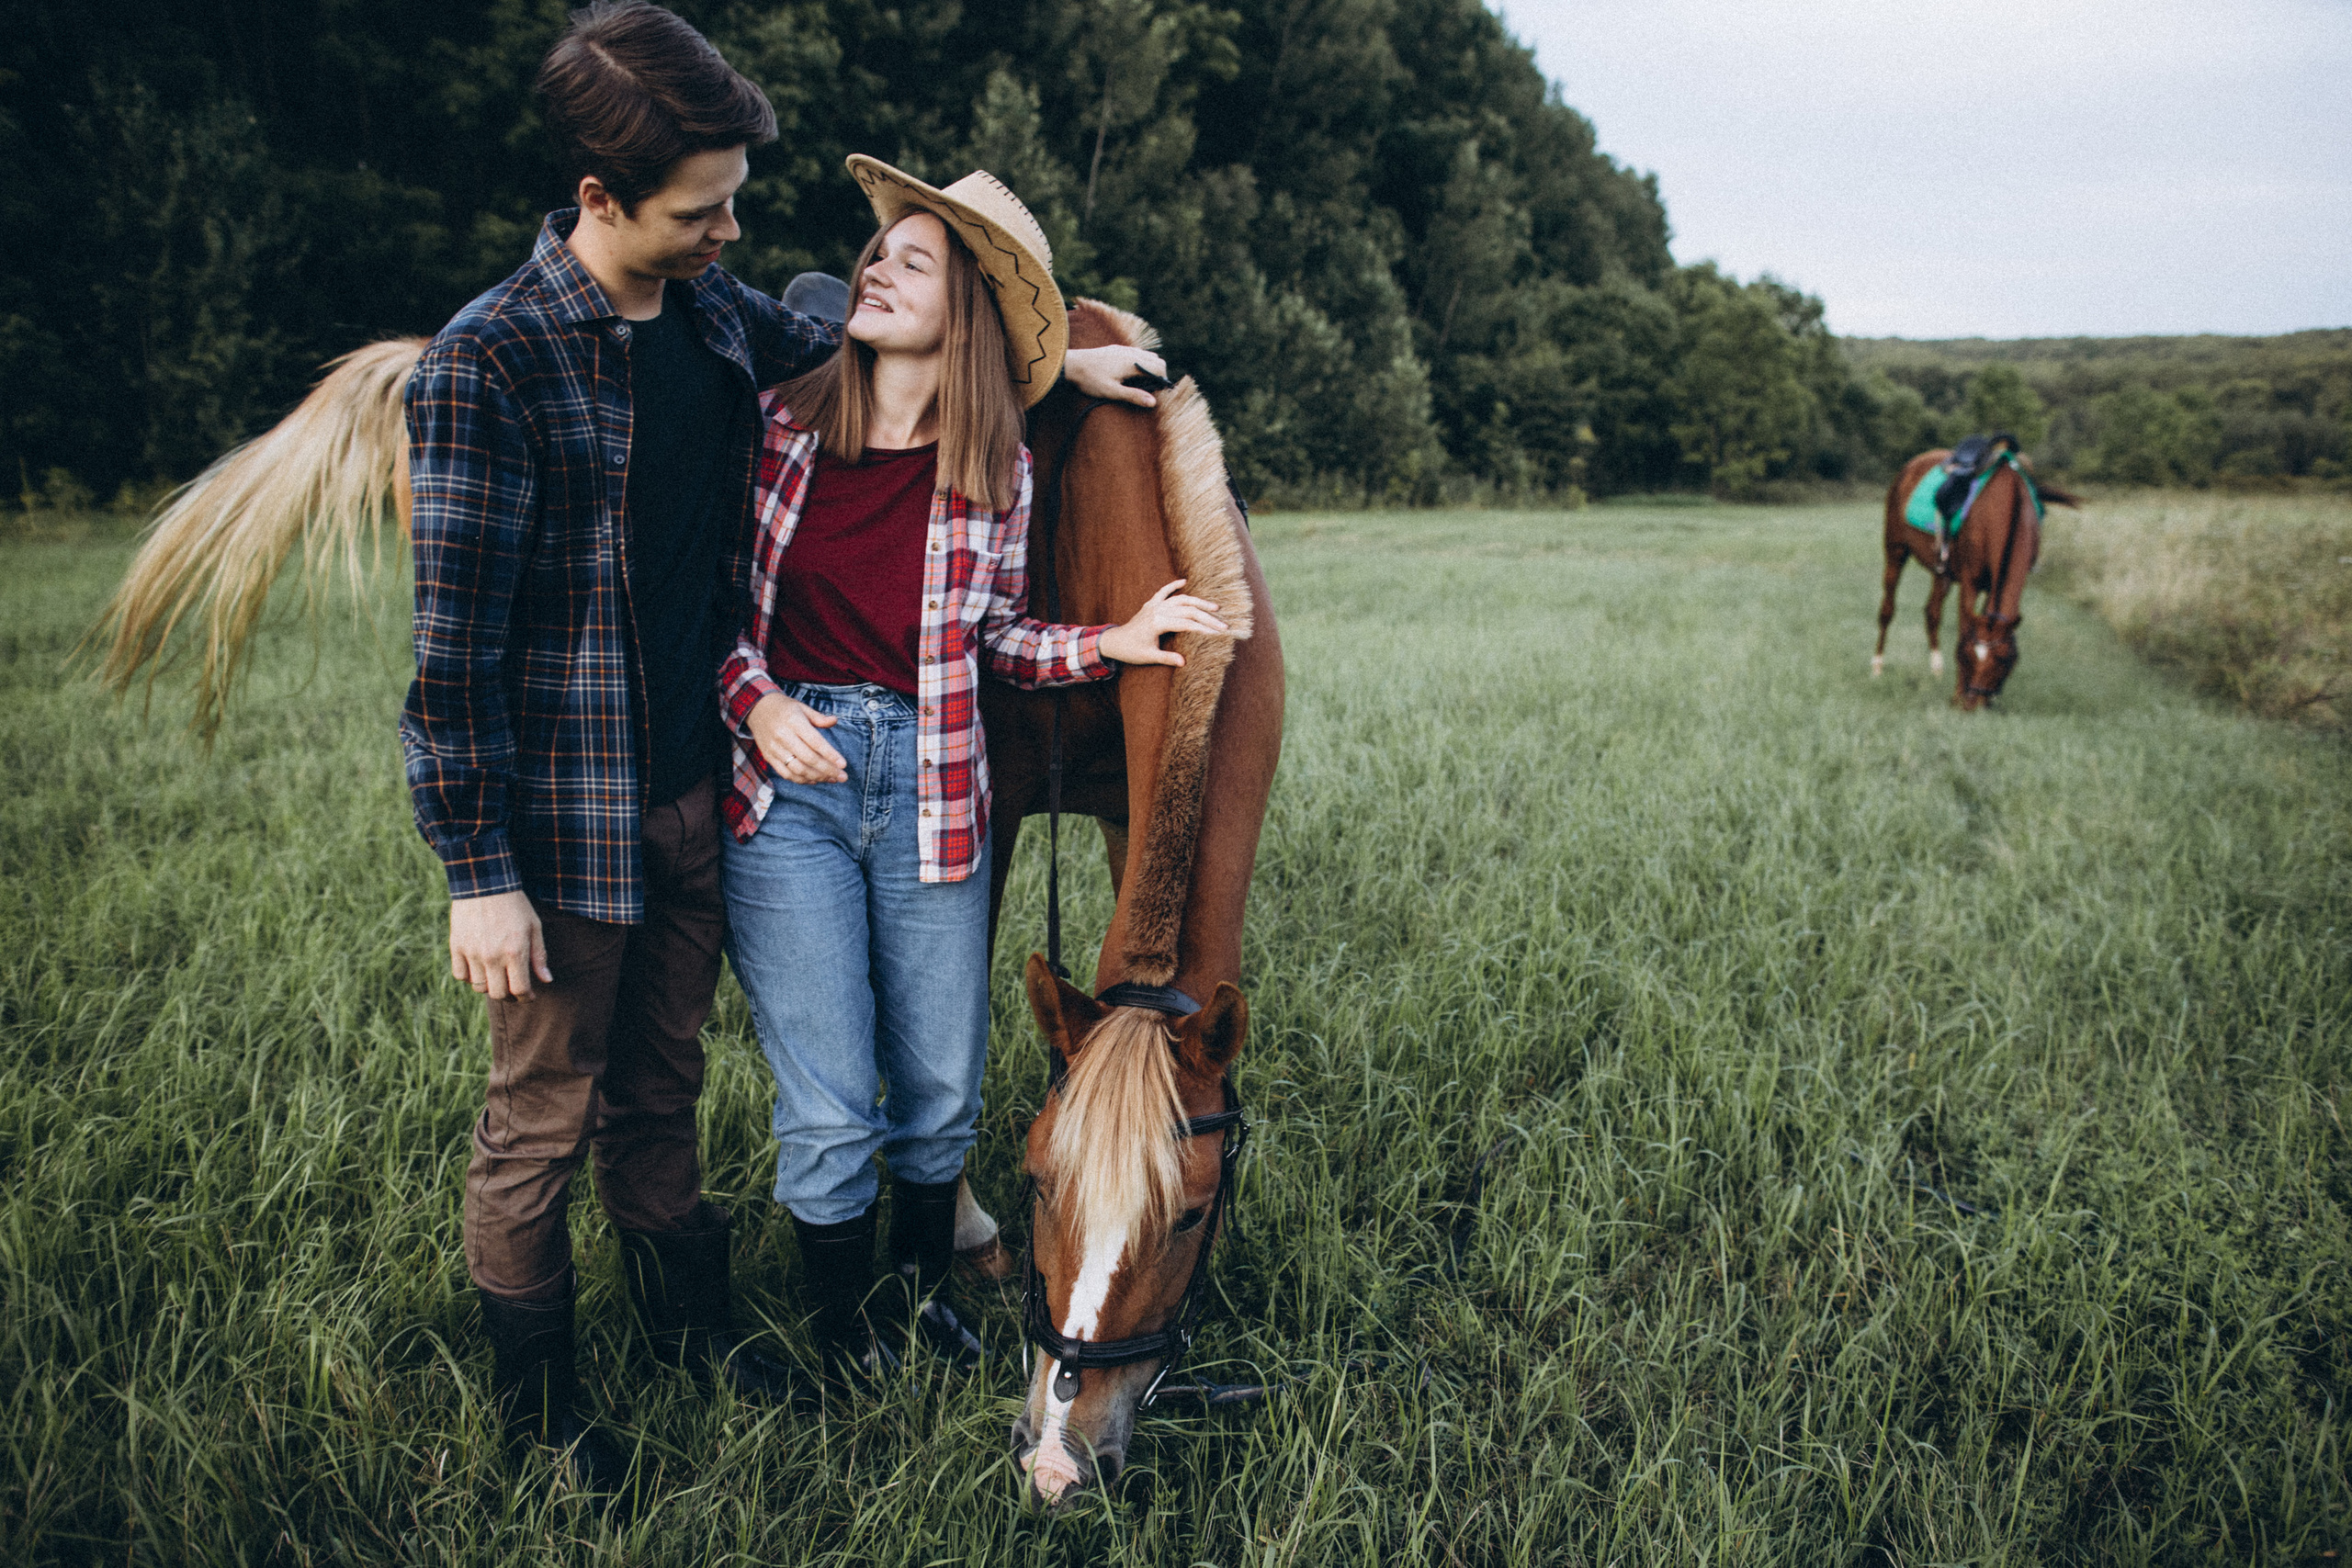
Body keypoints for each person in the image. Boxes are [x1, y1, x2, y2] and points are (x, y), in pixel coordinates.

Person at [401, 1, 1169, 1495]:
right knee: (541, 1118)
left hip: (702, 791)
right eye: (705, 209)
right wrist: (476, 869)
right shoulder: (488, 368)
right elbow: (452, 660)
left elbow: (868, 347)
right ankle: (543, 1414)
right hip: (573, 813)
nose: (733, 232)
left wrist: (1053, 370)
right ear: (602, 198)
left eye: (733, 203)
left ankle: (693, 1334)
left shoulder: (713, 318)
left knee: (663, 1089)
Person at [716, 157, 1225, 1381]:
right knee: (833, 1102)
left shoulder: (997, 472)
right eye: (878, 254)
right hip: (790, 781)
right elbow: (708, 610)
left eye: (916, 262)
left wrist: (1109, 641)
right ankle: (846, 1336)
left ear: (970, 320)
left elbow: (993, 636)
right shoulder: (778, 426)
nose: (877, 269)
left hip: (935, 782)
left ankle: (913, 1296)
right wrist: (758, 702)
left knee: (941, 1093)